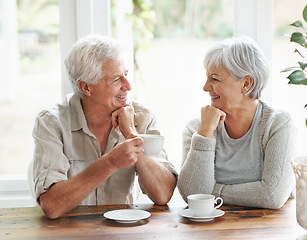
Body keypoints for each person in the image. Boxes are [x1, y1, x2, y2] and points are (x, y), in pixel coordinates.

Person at [30, 35, 177, 219]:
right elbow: (51, 206)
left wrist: (131, 134)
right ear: (86, 88)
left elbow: (163, 195)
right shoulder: (51, 123)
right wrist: (110, 163)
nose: (128, 86)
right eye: (116, 79)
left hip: (125, 232)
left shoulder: (143, 117)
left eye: (126, 74)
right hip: (71, 233)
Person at [178, 37, 297, 209]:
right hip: (210, 230)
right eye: (207, 78)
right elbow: (192, 194)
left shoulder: (278, 124)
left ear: (246, 84)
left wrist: (213, 192)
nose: (205, 87)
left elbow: (272, 195)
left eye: (215, 79)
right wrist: (205, 134)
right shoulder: (197, 128)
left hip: (268, 228)